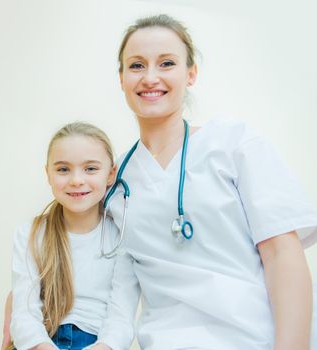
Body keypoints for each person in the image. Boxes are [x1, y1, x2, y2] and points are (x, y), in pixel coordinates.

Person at [94, 14, 317, 350]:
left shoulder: (234, 144)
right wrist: (26, 297)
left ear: (191, 74)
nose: (150, 77)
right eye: (136, 66)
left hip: (255, 339)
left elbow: (282, 255)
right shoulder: (115, 180)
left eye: (166, 63)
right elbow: (85, 251)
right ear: (121, 78)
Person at [6, 122, 139, 350]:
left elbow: (121, 318)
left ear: (111, 174)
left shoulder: (122, 237)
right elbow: (24, 314)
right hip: (42, 343)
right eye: (63, 169)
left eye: (90, 169)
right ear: (48, 174)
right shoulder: (31, 234)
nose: (76, 180)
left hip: (98, 343)